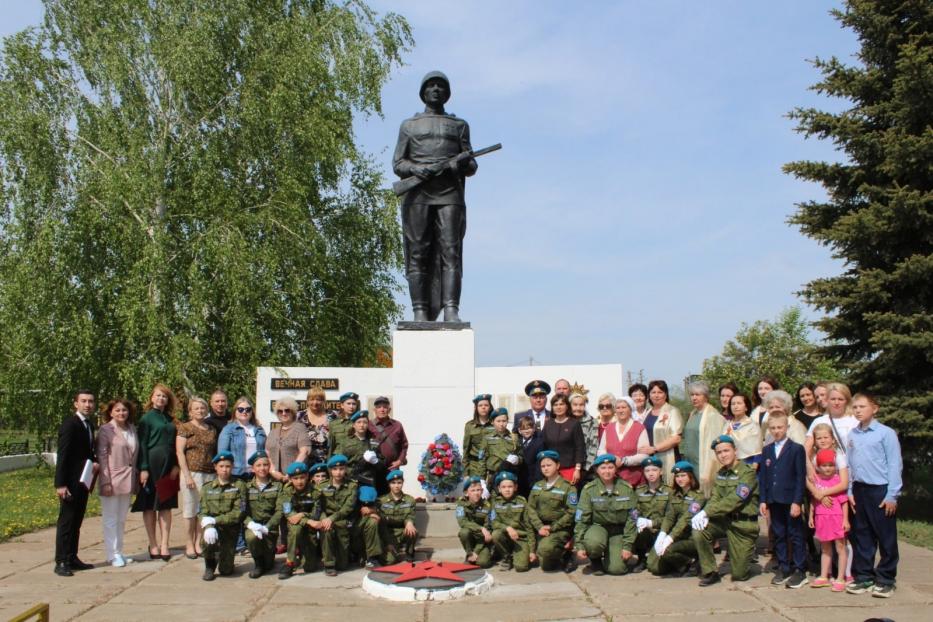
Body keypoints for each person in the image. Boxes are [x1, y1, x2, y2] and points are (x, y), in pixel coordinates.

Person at [393, 70, 477, 322]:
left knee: (451, 252)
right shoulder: (409, 126)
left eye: (441, 86)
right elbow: (398, 163)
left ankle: (451, 309)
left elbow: (471, 165)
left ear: (447, 93)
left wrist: (459, 166)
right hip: (417, 194)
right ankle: (419, 310)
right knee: (418, 251)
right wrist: (417, 169)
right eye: (431, 85)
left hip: (449, 194)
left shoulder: (460, 126)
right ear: (423, 92)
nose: (436, 89)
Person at [845, 393, 902, 598]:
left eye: (862, 406)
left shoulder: (885, 433)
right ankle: (864, 576)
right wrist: (850, 490)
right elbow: (850, 465)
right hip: (860, 489)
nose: (858, 410)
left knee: (885, 536)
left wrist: (892, 495)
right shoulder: (852, 434)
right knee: (862, 535)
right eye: (855, 407)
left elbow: (895, 464)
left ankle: (886, 578)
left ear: (874, 409)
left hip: (880, 489)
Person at [691, 435, 760, 586]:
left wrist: (706, 512)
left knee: (739, 575)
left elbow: (735, 500)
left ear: (735, 450)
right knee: (699, 530)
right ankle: (710, 571)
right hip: (724, 521)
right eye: (719, 452)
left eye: (726, 451)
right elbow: (715, 498)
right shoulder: (721, 473)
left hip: (743, 524)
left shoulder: (747, 473)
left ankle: (745, 556)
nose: (723, 455)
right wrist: (703, 513)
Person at [759, 412, 809, 588]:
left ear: (787, 427)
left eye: (780, 427)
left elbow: (800, 476)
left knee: (795, 534)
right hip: (774, 499)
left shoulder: (796, 449)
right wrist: (763, 500)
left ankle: (799, 569)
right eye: (773, 428)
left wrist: (797, 501)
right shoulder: (767, 450)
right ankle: (783, 566)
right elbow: (764, 477)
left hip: (790, 499)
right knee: (779, 534)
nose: (776, 431)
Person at [132, 384, 179, 561]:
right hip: (151, 466)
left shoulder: (170, 419)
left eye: (164, 396)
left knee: (166, 506)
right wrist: (143, 468)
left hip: (168, 466)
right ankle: (153, 543)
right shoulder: (147, 419)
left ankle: (165, 543)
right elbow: (142, 444)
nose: (161, 399)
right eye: (158, 396)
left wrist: (176, 465)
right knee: (150, 505)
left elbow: (175, 444)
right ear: (152, 398)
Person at [573, 454, 637, 576]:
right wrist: (580, 545)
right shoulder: (589, 490)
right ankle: (595, 560)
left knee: (617, 570)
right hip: (598, 528)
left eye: (610, 467)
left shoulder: (626, 488)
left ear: (615, 469)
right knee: (593, 543)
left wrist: (627, 546)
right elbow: (582, 519)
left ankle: (613, 553)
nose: (607, 471)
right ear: (597, 470)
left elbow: (632, 519)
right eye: (603, 468)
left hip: (618, 531)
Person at [807, 422, 851, 580]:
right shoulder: (812, 457)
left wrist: (823, 493)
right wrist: (818, 494)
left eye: (826, 437)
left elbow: (843, 483)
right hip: (820, 507)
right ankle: (827, 573)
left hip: (836, 505)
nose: (823, 440)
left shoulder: (838, 455)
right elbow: (809, 479)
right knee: (825, 544)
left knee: (841, 544)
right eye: (819, 438)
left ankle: (845, 574)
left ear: (833, 439)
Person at [97, 398, 138, 568]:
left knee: (121, 519)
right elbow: (102, 456)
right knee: (110, 518)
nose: (122, 413)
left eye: (124, 410)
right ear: (111, 412)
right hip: (112, 479)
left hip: (128, 479)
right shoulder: (106, 430)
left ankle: (119, 551)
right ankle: (112, 554)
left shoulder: (132, 428)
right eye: (118, 410)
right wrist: (105, 481)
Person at [176, 396, 218, 559]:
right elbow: (180, 452)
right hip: (192, 473)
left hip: (210, 474)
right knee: (190, 510)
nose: (200, 411)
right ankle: (188, 543)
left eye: (202, 408)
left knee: (203, 511)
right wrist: (187, 475)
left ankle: (198, 542)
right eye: (196, 408)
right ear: (190, 411)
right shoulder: (185, 428)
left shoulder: (211, 429)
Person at [648, 461, 705, 577]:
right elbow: (669, 517)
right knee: (653, 567)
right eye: (677, 476)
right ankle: (680, 564)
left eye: (683, 475)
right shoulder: (675, 495)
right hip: (678, 536)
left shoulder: (699, 496)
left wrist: (670, 537)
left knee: (667, 551)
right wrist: (662, 534)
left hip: (692, 537)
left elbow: (686, 519)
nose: (680, 479)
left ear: (690, 476)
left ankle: (691, 562)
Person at [525, 450, 577, 572]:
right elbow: (530, 508)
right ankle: (549, 551)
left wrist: (553, 527)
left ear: (558, 466)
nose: (545, 468)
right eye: (543, 466)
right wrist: (539, 527)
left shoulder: (568, 487)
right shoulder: (537, 485)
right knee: (540, 561)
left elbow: (572, 511)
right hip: (541, 528)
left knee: (545, 558)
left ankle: (566, 554)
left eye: (549, 465)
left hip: (559, 529)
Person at [199, 451, 247, 581]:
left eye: (228, 466)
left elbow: (239, 513)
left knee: (226, 571)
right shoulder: (207, 488)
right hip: (213, 528)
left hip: (230, 530)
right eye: (221, 466)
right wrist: (208, 526)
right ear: (215, 467)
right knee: (206, 539)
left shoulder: (239, 485)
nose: (224, 470)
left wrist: (215, 520)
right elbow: (202, 511)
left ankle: (223, 557)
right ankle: (209, 565)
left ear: (232, 467)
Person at [242, 451, 286, 578]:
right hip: (253, 526)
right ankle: (258, 564)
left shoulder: (277, 486)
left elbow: (280, 510)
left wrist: (268, 526)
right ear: (253, 468)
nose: (262, 468)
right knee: (252, 538)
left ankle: (267, 558)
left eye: (265, 465)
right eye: (259, 465)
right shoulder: (246, 487)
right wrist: (250, 524)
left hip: (269, 528)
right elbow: (242, 511)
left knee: (269, 565)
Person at [682, 381, 726, 494]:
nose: (694, 398)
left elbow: (715, 446)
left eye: (698, 395)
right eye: (692, 395)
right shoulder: (693, 414)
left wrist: (709, 470)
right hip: (691, 462)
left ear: (706, 396)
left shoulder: (713, 416)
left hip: (703, 465)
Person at [279, 461, 321, 579]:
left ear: (307, 476)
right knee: (296, 529)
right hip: (296, 525)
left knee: (310, 567)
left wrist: (302, 515)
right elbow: (289, 514)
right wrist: (306, 519)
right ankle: (289, 562)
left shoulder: (315, 492)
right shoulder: (287, 491)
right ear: (291, 479)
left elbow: (315, 515)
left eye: (302, 477)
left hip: (310, 528)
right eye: (296, 478)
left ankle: (306, 554)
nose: (299, 481)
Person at [318, 454, 359, 576]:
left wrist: (332, 518)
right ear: (330, 470)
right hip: (326, 520)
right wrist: (325, 519)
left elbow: (348, 507)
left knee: (343, 566)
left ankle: (345, 555)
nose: (338, 472)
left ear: (345, 469)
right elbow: (318, 507)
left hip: (343, 521)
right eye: (335, 469)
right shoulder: (321, 486)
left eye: (341, 469)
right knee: (326, 530)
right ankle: (329, 564)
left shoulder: (352, 486)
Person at [597, 396, 648, 488]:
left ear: (630, 409)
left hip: (633, 479)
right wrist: (611, 459)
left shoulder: (639, 428)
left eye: (624, 407)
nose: (620, 410)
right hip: (610, 478)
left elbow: (644, 455)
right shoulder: (609, 428)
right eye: (618, 408)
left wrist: (624, 461)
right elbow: (601, 450)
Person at [639, 380, 683, 485]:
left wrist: (654, 448)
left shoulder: (673, 411)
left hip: (668, 457)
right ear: (649, 395)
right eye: (653, 392)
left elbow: (676, 438)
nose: (656, 395)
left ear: (666, 394)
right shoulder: (648, 412)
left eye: (660, 392)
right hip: (650, 460)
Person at [631, 456, 671, 572]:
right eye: (647, 471)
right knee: (638, 530)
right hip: (646, 533)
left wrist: (652, 523)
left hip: (663, 530)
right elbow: (634, 511)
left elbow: (671, 517)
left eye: (654, 470)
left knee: (656, 568)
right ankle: (641, 559)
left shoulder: (669, 491)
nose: (651, 474)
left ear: (661, 471)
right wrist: (637, 520)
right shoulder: (639, 491)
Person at [804, 382, 859, 463]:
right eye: (833, 399)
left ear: (847, 400)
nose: (836, 403)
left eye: (840, 399)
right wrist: (809, 467)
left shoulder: (856, 419)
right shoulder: (819, 421)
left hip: (855, 468)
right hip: (830, 471)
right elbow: (806, 449)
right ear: (828, 400)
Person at [217, 397, 267, 482]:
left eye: (248, 409)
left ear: (252, 412)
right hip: (236, 474)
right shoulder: (228, 429)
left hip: (257, 474)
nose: (244, 412)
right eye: (240, 409)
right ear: (235, 411)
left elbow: (266, 451)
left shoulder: (259, 429)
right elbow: (222, 455)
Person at [489, 471, 531, 571]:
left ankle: (517, 553)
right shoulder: (495, 502)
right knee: (496, 534)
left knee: (521, 567)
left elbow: (529, 525)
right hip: (505, 537)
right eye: (503, 487)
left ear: (515, 487)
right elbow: (494, 522)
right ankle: (506, 556)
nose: (507, 490)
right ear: (499, 488)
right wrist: (508, 528)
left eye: (510, 486)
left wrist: (532, 550)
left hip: (520, 538)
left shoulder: (522, 501)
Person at [541, 394, 585, 484]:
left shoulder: (574, 424)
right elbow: (543, 446)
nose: (558, 407)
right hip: (551, 470)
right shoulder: (548, 424)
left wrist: (577, 469)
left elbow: (580, 447)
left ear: (567, 406)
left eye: (561, 404)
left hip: (569, 469)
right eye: (555, 405)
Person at [369, 396, 409, 493]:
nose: (382, 409)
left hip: (393, 467)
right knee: (377, 494)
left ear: (389, 409)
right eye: (379, 407)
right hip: (375, 467)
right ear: (374, 410)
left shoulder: (397, 425)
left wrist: (400, 460)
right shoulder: (369, 425)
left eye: (385, 407)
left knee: (394, 494)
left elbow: (404, 445)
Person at [267, 397, 311, 483]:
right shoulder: (272, 432)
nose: (283, 413)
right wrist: (273, 472)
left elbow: (304, 452)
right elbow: (267, 454)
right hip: (274, 480)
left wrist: (291, 473)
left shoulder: (300, 428)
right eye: (280, 411)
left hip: (295, 478)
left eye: (287, 410)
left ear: (293, 412)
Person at [378, 470, 418, 563]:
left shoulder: (410, 500)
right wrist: (387, 542)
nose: (396, 486)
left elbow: (410, 515)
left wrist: (409, 522)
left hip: (403, 530)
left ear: (403, 483)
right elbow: (382, 524)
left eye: (399, 483)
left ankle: (409, 552)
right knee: (389, 561)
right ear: (389, 484)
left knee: (413, 531)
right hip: (388, 533)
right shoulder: (381, 501)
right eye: (393, 483)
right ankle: (393, 549)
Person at [456, 476, 493, 567]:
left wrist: (476, 551)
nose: (476, 493)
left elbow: (488, 530)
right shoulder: (461, 504)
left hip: (483, 540)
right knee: (464, 532)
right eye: (473, 490)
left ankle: (480, 553)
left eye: (478, 490)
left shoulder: (487, 506)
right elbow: (462, 522)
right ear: (466, 493)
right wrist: (481, 528)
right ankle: (469, 554)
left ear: (482, 491)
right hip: (471, 537)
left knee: (483, 563)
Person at [481, 407, 522, 489]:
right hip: (493, 477)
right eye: (498, 421)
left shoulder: (514, 438)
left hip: (510, 477)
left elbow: (521, 456)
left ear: (507, 421)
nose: (501, 424)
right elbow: (482, 460)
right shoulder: (487, 438)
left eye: (504, 421)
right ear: (492, 422)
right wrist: (482, 481)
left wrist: (517, 460)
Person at [343, 410, 386, 489]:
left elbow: (382, 465)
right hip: (350, 482)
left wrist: (375, 461)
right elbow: (340, 463)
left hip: (369, 482)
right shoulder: (345, 442)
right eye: (359, 422)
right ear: (353, 425)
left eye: (365, 422)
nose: (362, 425)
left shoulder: (374, 442)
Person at [723, 393, 762, 469]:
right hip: (729, 466)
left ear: (746, 407)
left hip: (747, 465)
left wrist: (753, 469)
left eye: (739, 403)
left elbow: (758, 451)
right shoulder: (727, 425)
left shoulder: (752, 425)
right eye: (733, 404)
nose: (736, 406)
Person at [296, 386, 330, 466]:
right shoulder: (299, 416)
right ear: (307, 401)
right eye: (312, 399)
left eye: (318, 399)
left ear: (324, 401)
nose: (315, 402)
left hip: (328, 463)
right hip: (304, 463)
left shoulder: (333, 415)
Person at [463, 394, 495, 478]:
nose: (483, 407)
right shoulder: (470, 426)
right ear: (476, 408)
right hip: (475, 467)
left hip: (491, 467)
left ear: (490, 407)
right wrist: (466, 473)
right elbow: (466, 450)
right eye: (480, 405)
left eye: (486, 405)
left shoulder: (495, 425)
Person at [354, 485, 384, 568]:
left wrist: (372, 511)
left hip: (372, 541)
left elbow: (385, 516)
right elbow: (355, 528)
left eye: (369, 503)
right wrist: (368, 515)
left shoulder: (378, 504)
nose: (366, 505)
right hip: (355, 539)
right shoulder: (353, 505)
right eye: (363, 502)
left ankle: (372, 559)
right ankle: (359, 555)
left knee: (373, 522)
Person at [570, 393, 599, 479]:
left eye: (581, 405)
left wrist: (585, 469)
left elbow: (594, 446)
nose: (578, 408)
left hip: (585, 468)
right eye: (575, 405)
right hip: (568, 466)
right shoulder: (566, 420)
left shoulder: (592, 421)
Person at [516, 415, 545, 498]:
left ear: (534, 429)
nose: (526, 431)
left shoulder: (539, 443)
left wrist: (538, 480)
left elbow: (540, 463)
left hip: (533, 478)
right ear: (519, 430)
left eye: (529, 428)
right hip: (519, 479)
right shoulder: (516, 442)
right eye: (523, 429)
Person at [328, 392, 359, 457]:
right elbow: (331, 446)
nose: (351, 406)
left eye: (354, 404)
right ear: (342, 405)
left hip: (356, 460)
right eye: (348, 403)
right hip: (340, 461)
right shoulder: (334, 424)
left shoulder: (360, 422)